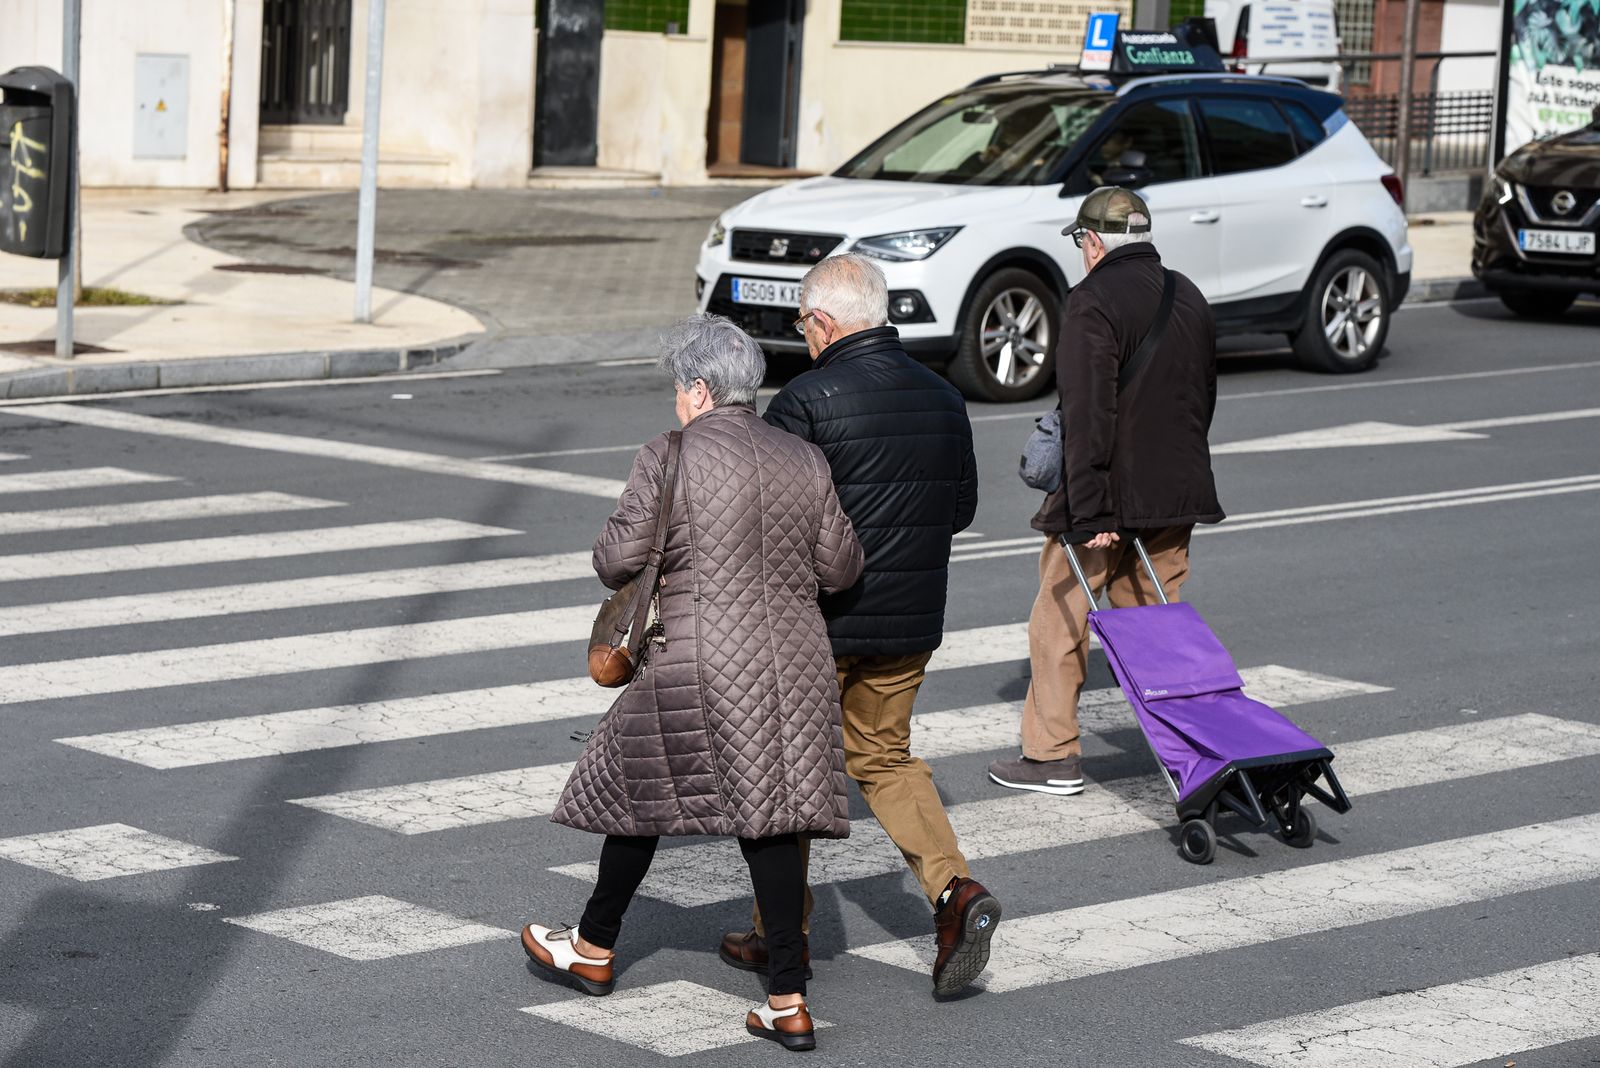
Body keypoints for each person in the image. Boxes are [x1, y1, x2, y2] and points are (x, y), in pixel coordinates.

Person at [526, 314, 864, 1053]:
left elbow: (617, 560)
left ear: (703, 390)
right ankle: (787, 1000)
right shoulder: (804, 458)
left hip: (694, 658)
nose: (677, 401)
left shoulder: (668, 456)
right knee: (768, 818)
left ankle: (593, 945)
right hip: (794, 666)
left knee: (638, 789)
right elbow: (841, 569)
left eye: (681, 388)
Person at [717, 253, 999, 998]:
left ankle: (785, 936)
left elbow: (765, 519)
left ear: (826, 322)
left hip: (817, 624)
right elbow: (960, 510)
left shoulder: (805, 399)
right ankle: (954, 892)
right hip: (910, 622)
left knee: (788, 778)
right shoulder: (944, 396)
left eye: (804, 322)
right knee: (886, 758)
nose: (803, 335)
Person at [989, 186, 1225, 796]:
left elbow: (1087, 412)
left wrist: (1090, 507)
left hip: (1106, 500)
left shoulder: (1091, 301)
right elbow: (1202, 396)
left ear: (1091, 242)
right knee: (1158, 628)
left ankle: (1051, 756)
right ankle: (1199, 751)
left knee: (1060, 618)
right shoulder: (1188, 293)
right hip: (1176, 494)